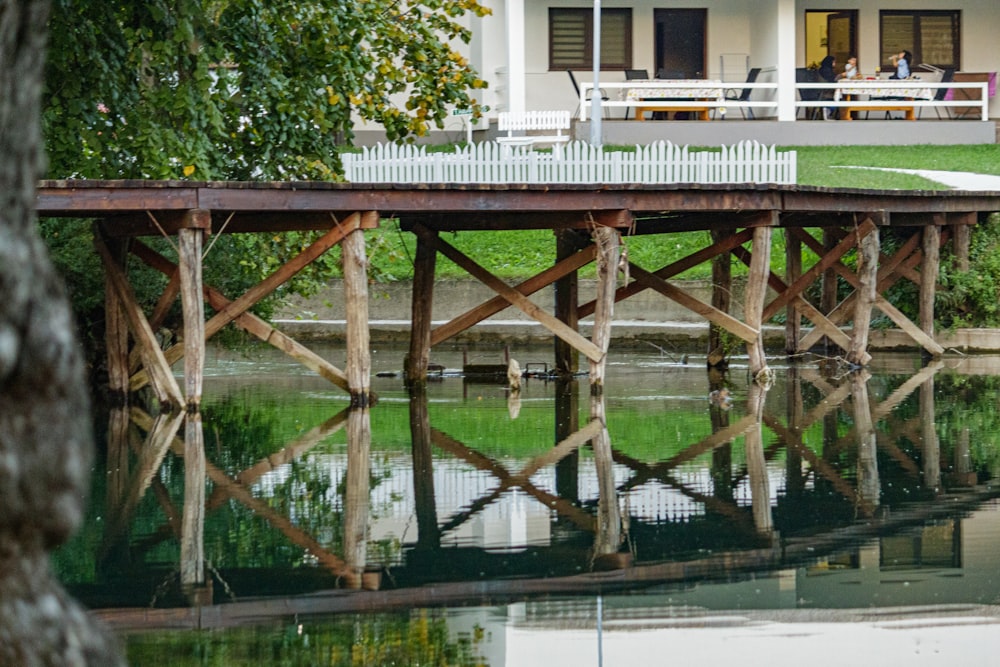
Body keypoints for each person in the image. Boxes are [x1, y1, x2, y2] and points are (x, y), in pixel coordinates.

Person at [817, 55, 838, 120]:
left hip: (825, 91)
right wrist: (841, 75)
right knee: (839, 98)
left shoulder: (824, 69)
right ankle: (828, 112)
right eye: (834, 62)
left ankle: (830, 113)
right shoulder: (826, 70)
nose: (835, 64)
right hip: (826, 92)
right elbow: (832, 79)